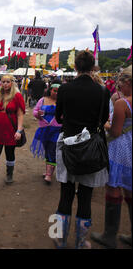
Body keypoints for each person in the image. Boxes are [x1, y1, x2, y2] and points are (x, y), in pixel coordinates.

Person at [52, 50, 110, 249]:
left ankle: (59, 239)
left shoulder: (65, 89)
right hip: (91, 147)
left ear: (75, 67)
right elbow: (102, 121)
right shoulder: (102, 91)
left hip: (68, 143)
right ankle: (81, 242)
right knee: (85, 196)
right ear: (93, 67)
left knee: (64, 194)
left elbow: (59, 117)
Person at [91, 65, 132, 248]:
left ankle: (109, 235)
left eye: (121, 84)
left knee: (113, 189)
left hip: (121, 150)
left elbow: (115, 131)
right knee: (130, 191)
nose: (119, 87)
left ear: (128, 83)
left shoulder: (122, 103)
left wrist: (106, 124)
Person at [31, 80, 62, 184]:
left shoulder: (63, 102)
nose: (56, 93)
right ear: (50, 90)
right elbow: (35, 111)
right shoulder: (42, 100)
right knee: (47, 149)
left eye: (59, 91)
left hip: (57, 130)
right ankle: (48, 170)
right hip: (44, 130)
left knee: (52, 150)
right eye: (54, 90)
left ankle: (49, 174)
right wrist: (38, 114)